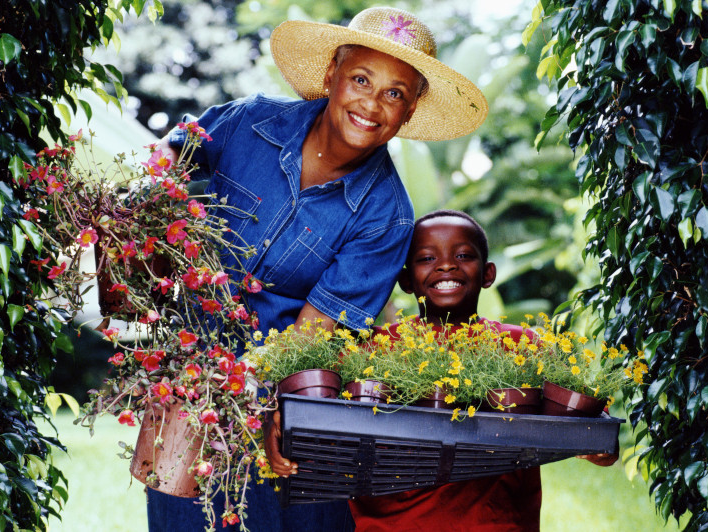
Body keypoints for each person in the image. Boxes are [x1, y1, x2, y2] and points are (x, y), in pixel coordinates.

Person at [146, 7, 488, 531]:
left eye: (395, 94)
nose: (372, 104)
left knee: (274, 513)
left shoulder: (386, 216)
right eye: (360, 79)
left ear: (410, 111)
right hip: (187, 366)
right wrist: (136, 207)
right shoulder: (251, 123)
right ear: (331, 74)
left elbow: (316, 328)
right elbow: (173, 152)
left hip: (285, 384)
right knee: (179, 514)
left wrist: (264, 404)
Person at [348, 209, 618, 532]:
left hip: (496, 523)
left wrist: (598, 443)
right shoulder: (374, 348)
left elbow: (583, 420)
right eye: (426, 258)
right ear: (406, 280)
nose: (446, 265)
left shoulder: (524, 346)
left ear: (488, 274)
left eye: (463, 255)